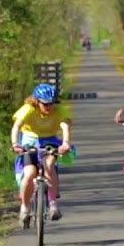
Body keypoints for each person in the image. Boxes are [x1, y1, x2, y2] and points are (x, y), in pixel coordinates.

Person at [11, 83, 74, 224]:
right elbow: (17, 126)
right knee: (30, 172)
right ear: (37, 101)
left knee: (49, 164)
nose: (49, 107)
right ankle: (25, 208)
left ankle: (52, 205)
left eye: (52, 104)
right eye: (45, 104)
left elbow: (65, 126)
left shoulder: (59, 110)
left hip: (50, 139)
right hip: (29, 140)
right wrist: (15, 144)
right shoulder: (28, 109)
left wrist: (66, 143)